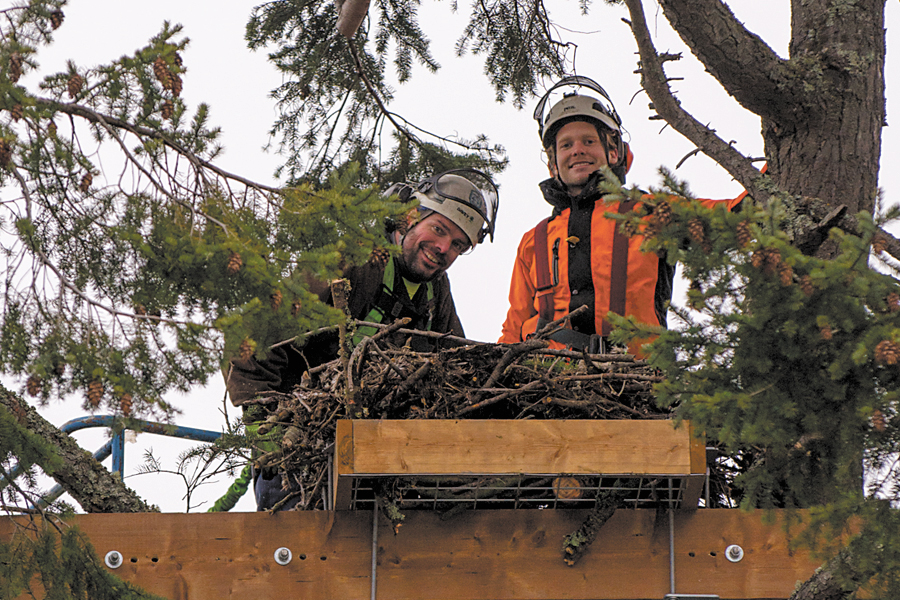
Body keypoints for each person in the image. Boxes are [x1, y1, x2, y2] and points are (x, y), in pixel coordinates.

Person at [227, 168, 499, 510]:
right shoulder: (351, 259)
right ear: (410, 215)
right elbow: (255, 341)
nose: (443, 248)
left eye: (458, 245)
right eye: (439, 229)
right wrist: (270, 435)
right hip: (299, 453)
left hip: (379, 462)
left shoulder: (435, 295)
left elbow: (459, 373)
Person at [499, 76, 741, 354]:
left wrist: (772, 184)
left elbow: (727, 217)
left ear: (613, 152)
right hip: (545, 382)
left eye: (588, 141)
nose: (577, 149)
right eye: (565, 145)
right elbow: (513, 327)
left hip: (635, 382)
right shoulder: (534, 241)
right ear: (553, 164)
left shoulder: (650, 213)